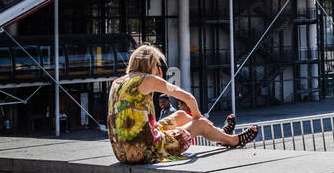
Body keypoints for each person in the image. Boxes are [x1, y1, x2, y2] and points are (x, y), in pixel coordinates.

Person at [107, 44, 255, 164]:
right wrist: (199, 118)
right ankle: (233, 140)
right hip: (145, 151)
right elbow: (188, 98)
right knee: (200, 124)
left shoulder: (117, 83)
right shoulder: (147, 79)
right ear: (151, 64)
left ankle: (220, 134)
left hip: (122, 152)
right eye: (158, 64)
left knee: (181, 115)